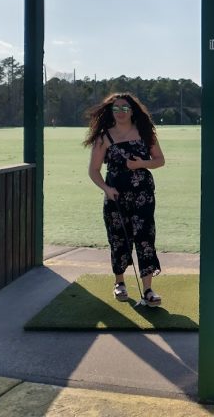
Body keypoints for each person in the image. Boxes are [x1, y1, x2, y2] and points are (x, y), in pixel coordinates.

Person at [84, 92, 165, 306]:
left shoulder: (146, 133)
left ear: (132, 110)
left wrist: (140, 164)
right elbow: (93, 170)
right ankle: (119, 283)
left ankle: (148, 290)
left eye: (125, 108)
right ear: (111, 111)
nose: (120, 112)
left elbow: (159, 161)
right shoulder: (104, 137)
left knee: (145, 237)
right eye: (116, 108)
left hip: (143, 195)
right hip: (116, 196)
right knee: (119, 238)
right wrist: (106, 188)